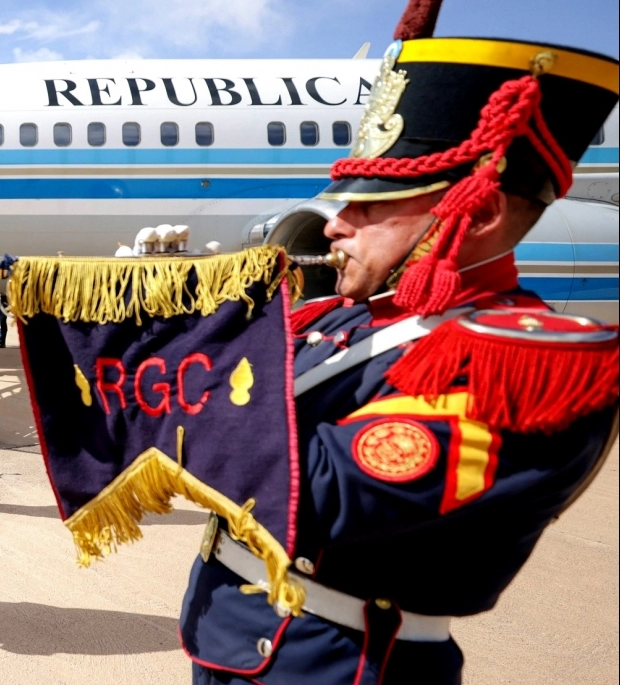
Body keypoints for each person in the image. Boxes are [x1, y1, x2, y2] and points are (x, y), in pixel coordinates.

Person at [180, 7, 620, 684]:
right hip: (234, 643)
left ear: (479, 210)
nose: (335, 226)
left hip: (336, 665)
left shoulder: (524, 360)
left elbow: (309, 488)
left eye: (371, 205)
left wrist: (166, 375)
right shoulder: (348, 318)